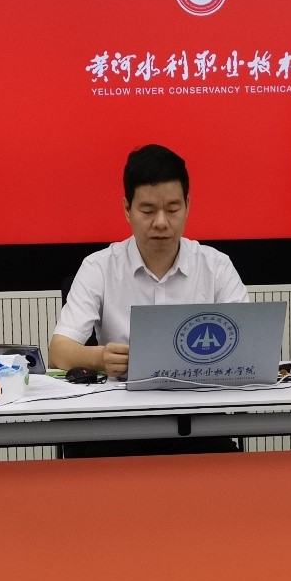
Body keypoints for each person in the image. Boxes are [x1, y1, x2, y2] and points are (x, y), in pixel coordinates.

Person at [49, 143, 247, 459]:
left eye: (172, 209)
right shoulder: (99, 267)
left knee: (233, 475)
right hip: (119, 426)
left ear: (188, 205)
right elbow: (59, 351)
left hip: (199, 425)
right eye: (147, 210)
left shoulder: (216, 267)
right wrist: (100, 357)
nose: (161, 222)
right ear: (127, 209)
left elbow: (248, 348)